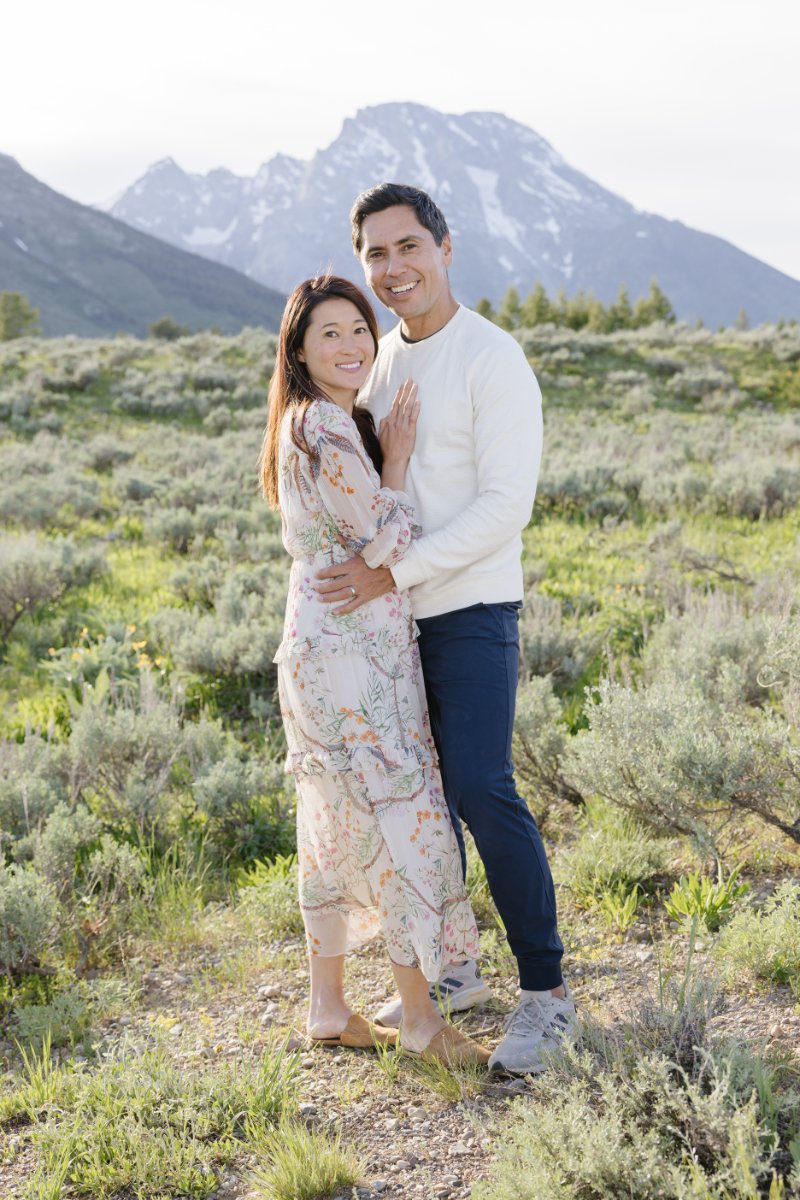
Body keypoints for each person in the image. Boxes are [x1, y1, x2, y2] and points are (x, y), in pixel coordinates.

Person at [314, 185, 577, 1076]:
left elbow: (506, 508)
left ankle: (548, 993)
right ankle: (453, 972)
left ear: (445, 247)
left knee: (478, 787)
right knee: (417, 802)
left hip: (469, 610)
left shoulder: (492, 358)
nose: (393, 268)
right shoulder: (374, 360)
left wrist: (395, 571)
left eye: (408, 246)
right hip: (388, 625)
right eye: (376, 254)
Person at [259, 274, 489, 1067]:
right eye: (330, 333)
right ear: (298, 349)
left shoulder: (299, 421)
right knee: (396, 815)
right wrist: (395, 460)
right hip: (354, 653)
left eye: (360, 328)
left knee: (334, 818)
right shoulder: (325, 424)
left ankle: (328, 1006)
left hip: (317, 644)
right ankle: (420, 1019)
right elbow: (390, 537)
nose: (353, 344)